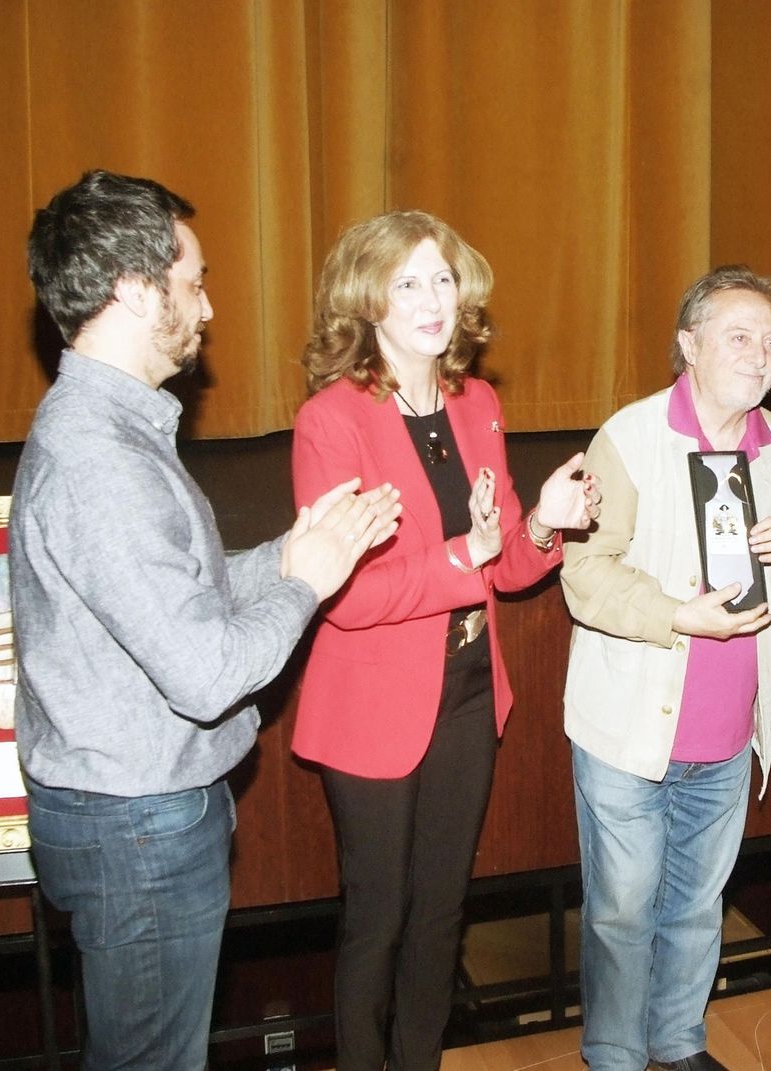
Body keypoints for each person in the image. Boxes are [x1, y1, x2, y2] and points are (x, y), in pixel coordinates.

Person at [12, 170, 403, 1071]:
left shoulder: (110, 430)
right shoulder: (98, 460)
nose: (209, 306)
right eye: (192, 283)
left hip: (135, 822)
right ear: (135, 291)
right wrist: (303, 586)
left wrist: (285, 554)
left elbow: (174, 596)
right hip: (139, 831)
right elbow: (209, 672)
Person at [290, 210, 600, 1071]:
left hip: (466, 689)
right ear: (368, 301)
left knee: (440, 911)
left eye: (442, 278)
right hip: (371, 706)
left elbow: (501, 565)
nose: (432, 299)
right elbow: (346, 594)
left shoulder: (476, 403)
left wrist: (545, 522)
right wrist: (469, 553)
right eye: (407, 282)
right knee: (377, 918)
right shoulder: (333, 420)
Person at [561, 266, 771, 1071]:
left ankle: (677, 1046)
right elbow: (584, 572)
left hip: (726, 733)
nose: (760, 355)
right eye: (739, 336)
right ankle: (613, 1057)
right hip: (629, 729)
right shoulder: (631, 436)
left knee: (695, 907)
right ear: (689, 344)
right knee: (620, 911)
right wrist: (681, 615)